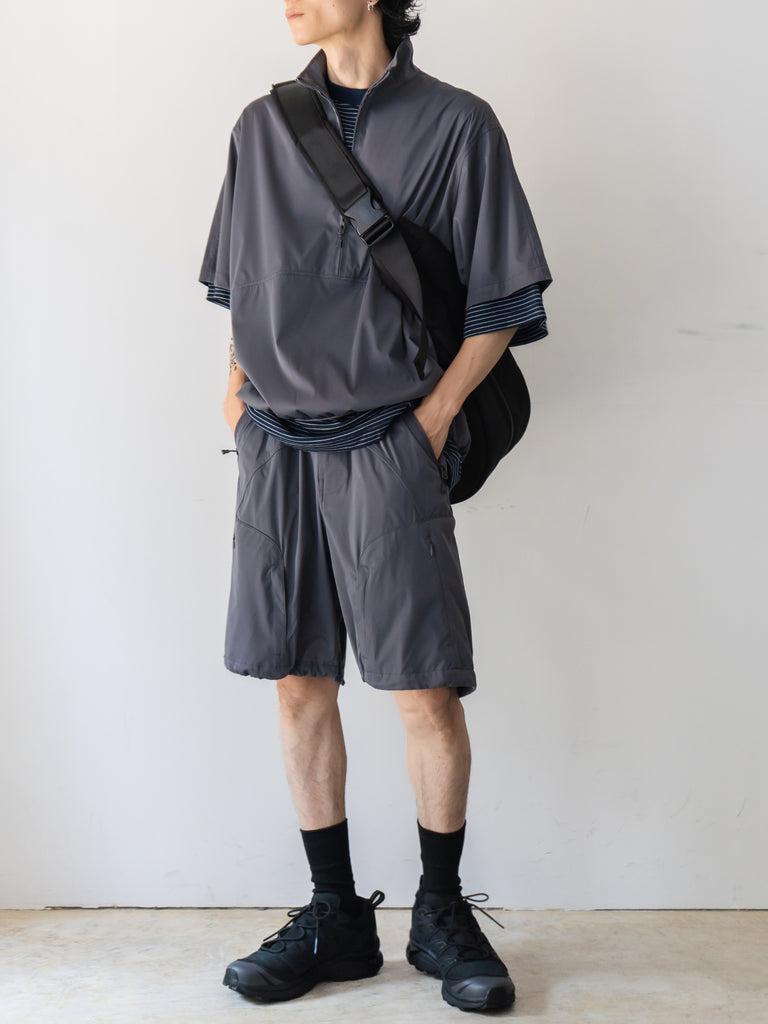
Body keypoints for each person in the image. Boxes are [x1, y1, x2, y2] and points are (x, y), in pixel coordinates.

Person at [198, 0, 552, 1013]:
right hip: (277, 441)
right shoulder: (262, 126)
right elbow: (237, 287)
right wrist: (236, 398)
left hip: (393, 434)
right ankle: (335, 918)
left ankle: (440, 914)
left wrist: (435, 416)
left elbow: (502, 298)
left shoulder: (457, 124)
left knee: (423, 686)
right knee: (297, 681)